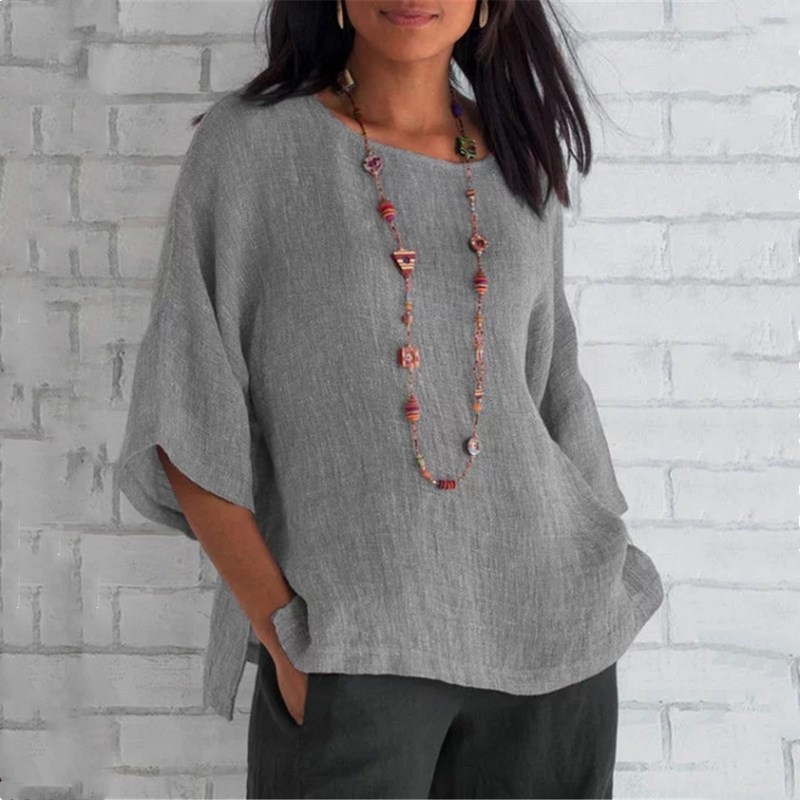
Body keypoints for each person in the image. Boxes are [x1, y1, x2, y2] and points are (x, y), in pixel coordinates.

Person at [116, 0, 665, 797]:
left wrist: (601, 560)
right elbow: (185, 411)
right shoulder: (253, 147)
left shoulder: (521, 157)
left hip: (552, 640)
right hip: (355, 649)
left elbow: (551, 387)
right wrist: (284, 637)